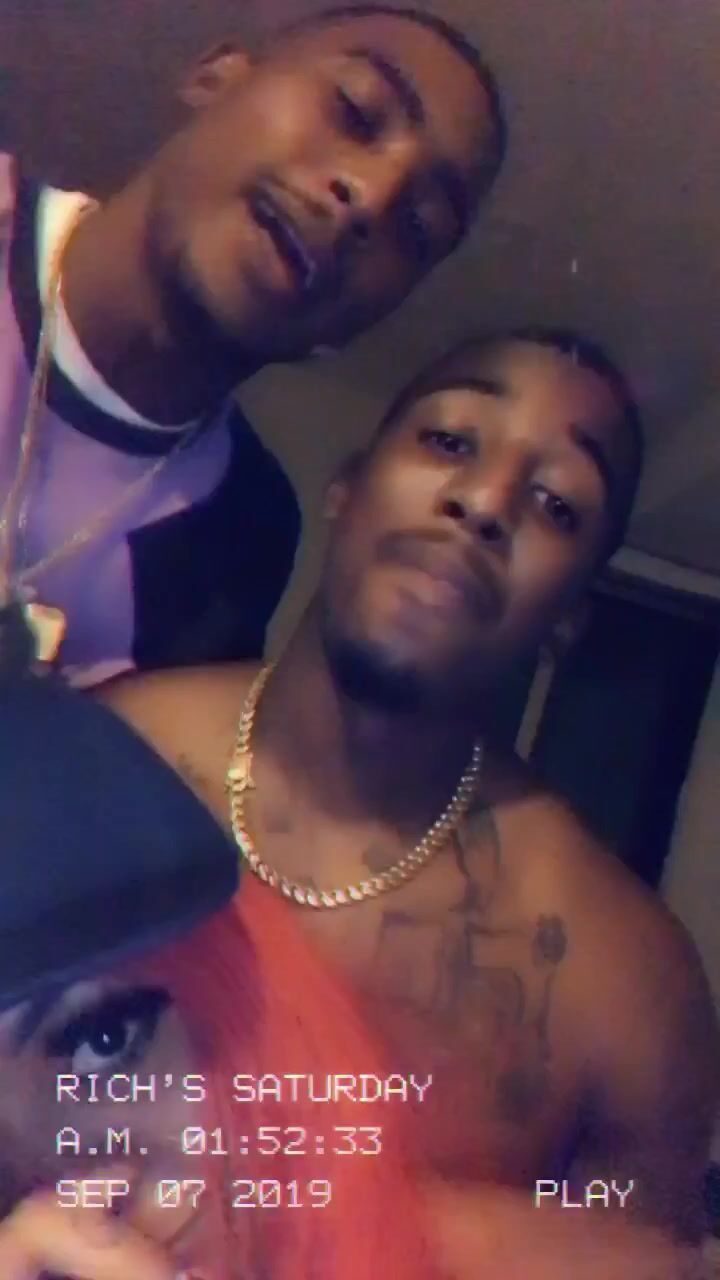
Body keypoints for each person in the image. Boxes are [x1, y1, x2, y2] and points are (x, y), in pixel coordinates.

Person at [100, 329, 720, 1274]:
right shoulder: (109, 758)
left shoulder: (627, 985)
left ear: (568, 619)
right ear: (348, 488)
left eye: (557, 503)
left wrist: (426, 1225)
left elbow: (629, 1257)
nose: (485, 501)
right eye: (451, 441)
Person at [0, 3, 505, 686]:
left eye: (418, 226)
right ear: (217, 77)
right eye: (356, 111)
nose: (370, 198)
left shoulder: (245, 537)